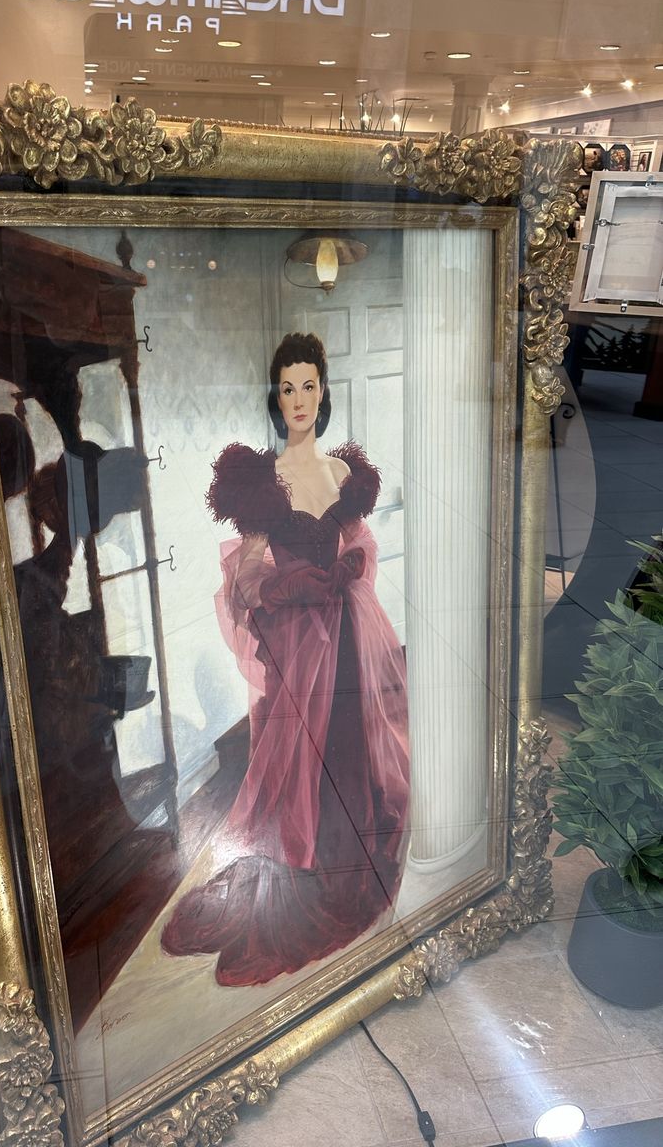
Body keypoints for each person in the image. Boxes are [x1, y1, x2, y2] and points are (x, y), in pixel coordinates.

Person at [161, 332, 410, 986]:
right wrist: (282, 590)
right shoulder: (262, 481)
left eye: (309, 386)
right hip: (297, 646)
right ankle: (297, 863)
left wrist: (345, 572)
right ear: (276, 398)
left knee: (347, 748)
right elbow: (243, 579)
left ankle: (342, 856)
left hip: (343, 637)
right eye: (287, 388)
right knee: (296, 755)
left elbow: (359, 549)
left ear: (323, 393)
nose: (299, 399)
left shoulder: (343, 475)